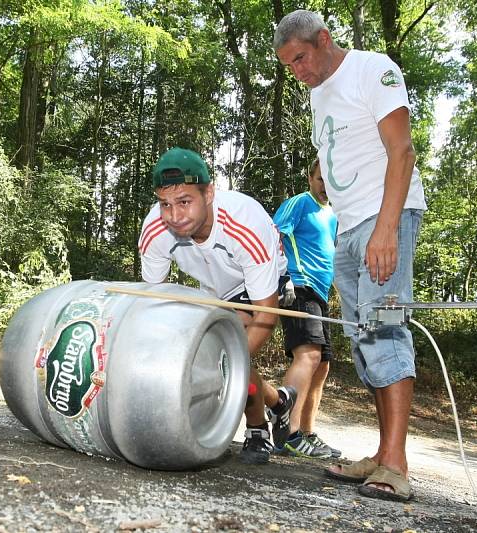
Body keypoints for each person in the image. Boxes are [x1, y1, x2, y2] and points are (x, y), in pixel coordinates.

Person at [273, 10, 426, 502]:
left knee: (387, 327)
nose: (298, 71)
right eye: (288, 65)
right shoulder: (318, 93)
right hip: (349, 224)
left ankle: (397, 466)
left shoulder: (372, 69)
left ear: (324, 39)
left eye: (301, 58)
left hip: (387, 219)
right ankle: (383, 455)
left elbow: (401, 151)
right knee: (364, 339)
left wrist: (386, 229)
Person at [139, 147, 296, 465]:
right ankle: (278, 401)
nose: (175, 216)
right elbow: (154, 304)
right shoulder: (156, 230)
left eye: (184, 201)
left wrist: (221, 366)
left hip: (261, 282)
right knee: (220, 355)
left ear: (209, 193)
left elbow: (266, 314)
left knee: (231, 344)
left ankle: (256, 430)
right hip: (214, 289)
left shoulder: (244, 223)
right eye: (165, 204)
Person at [271, 158, 340, 459]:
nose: (325, 186)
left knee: (322, 364)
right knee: (308, 355)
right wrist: (282, 277)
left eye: (330, 180)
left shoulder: (333, 214)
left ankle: (307, 434)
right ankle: (288, 433)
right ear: (311, 179)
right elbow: (274, 235)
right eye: (320, 179)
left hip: (321, 293)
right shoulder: (299, 203)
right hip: (299, 286)